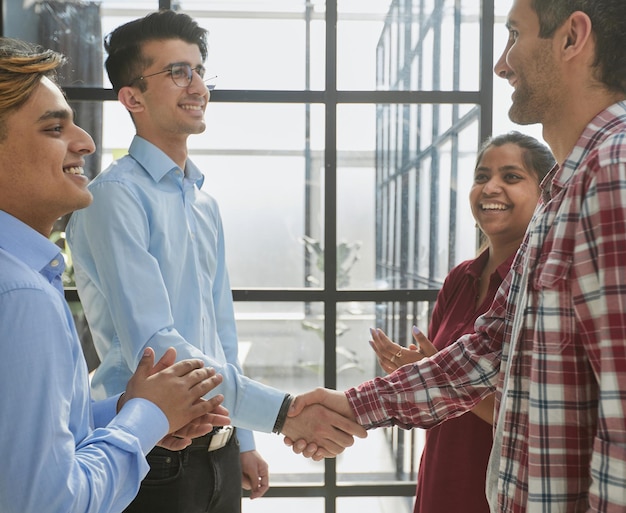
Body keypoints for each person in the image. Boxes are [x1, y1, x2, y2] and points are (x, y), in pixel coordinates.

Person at [288, 0, 626, 511]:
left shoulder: (613, 173)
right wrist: (355, 406)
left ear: (572, 38)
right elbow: (487, 351)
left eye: (515, 34)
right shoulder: (566, 189)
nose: (501, 63)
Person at [66, 10, 366, 513]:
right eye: (178, 72)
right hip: (156, 453)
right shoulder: (115, 198)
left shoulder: (202, 201)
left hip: (219, 450)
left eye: (200, 70)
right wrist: (284, 412)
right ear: (132, 97)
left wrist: (244, 440)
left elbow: (220, 327)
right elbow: (158, 347)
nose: (198, 85)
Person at [0, 37, 231, 513]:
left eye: (199, 70)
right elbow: (49, 503)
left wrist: (142, 410)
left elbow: (43, 432)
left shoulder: (28, 275)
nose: (85, 142)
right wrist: (147, 416)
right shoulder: (20, 291)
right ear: (134, 96)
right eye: (53, 128)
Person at [368, 132, 555, 513]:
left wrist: (432, 375)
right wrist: (419, 371)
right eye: (482, 176)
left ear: (544, 194)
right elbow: (437, 373)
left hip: (497, 486)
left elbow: (527, 413)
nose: (491, 187)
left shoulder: (543, 282)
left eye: (512, 177)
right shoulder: (460, 278)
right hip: (441, 471)